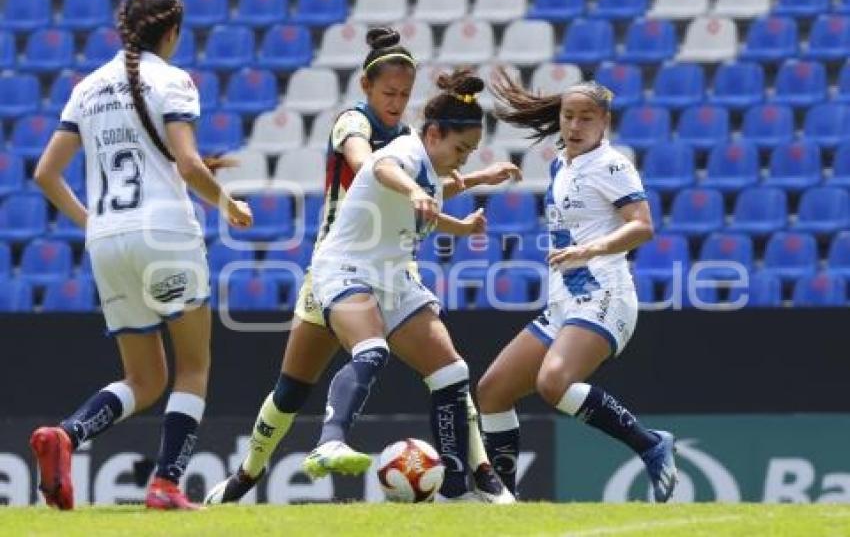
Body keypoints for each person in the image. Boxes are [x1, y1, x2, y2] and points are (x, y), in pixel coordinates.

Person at [205, 31, 519, 504]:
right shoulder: (357, 125)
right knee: (294, 389)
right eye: (388, 93)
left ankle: (476, 478)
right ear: (367, 87)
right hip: (340, 265)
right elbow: (373, 167)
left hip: (392, 268)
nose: (396, 102)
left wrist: (466, 192)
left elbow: (425, 188)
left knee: (450, 370)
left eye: (404, 96)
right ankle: (248, 474)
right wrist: (413, 186)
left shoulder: (416, 144)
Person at [29, 0, 253, 511]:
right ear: (171, 32)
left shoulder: (87, 87)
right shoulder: (173, 81)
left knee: (144, 379)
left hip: (107, 242)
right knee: (192, 367)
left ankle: (67, 435)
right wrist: (227, 204)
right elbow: (190, 165)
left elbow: (44, 173)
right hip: (166, 235)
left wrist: (94, 223)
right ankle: (166, 483)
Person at [475, 73, 678, 502]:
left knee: (553, 382)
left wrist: (592, 249)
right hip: (565, 301)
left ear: (604, 122)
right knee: (492, 391)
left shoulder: (612, 165)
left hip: (605, 295)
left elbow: (642, 226)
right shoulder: (560, 165)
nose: (574, 126)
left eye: (586, 118)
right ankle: (503, 502)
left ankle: (649, 443)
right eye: (569, 116)